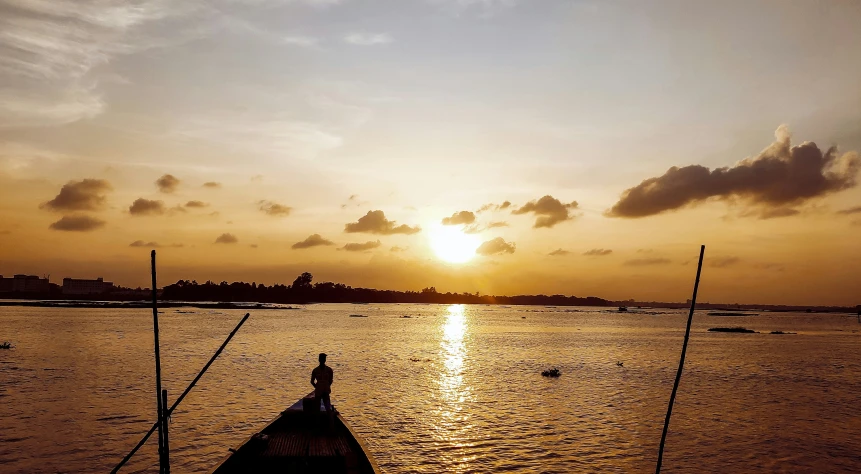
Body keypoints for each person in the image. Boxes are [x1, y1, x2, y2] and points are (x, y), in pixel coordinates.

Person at [310, 353, 334, 428]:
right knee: (317, 409)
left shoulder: (329, 370)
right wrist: (316, 387)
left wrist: (327, 386)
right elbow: (312, 381)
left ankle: (331, 426)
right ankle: (317, 425)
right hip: (318, 392)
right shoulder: (315, 370)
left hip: (326, 391)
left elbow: (331, 380)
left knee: (328, 408)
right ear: (319, 360)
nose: (323, 360)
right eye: (322, 358)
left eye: (324, 358)